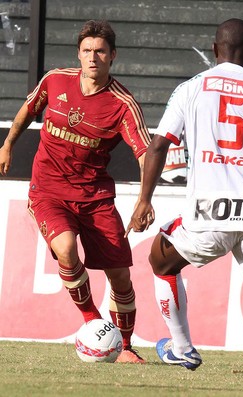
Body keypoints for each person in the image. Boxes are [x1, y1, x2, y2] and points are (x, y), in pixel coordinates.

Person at [126, 18, 243, 370]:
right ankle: (181, 349)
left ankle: (182, 348)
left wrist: (144, 200)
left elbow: (159, 145)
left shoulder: (190, 89)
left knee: (161, 261)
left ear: (213, 48)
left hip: (210, 216)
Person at [0, 19, 151, 363]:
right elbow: (28, 109)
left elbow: (145, 152)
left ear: (113, 56)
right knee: (66, 248)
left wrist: (145, 199)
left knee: (120, 277)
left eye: (100, 51)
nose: (92, 57)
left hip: (95, 197)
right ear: (78, 54)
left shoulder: (122, 104)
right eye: (86, 51)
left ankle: (125, 346)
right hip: (48, 189)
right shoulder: (55, 80)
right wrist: (8, 144)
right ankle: (93, 323)